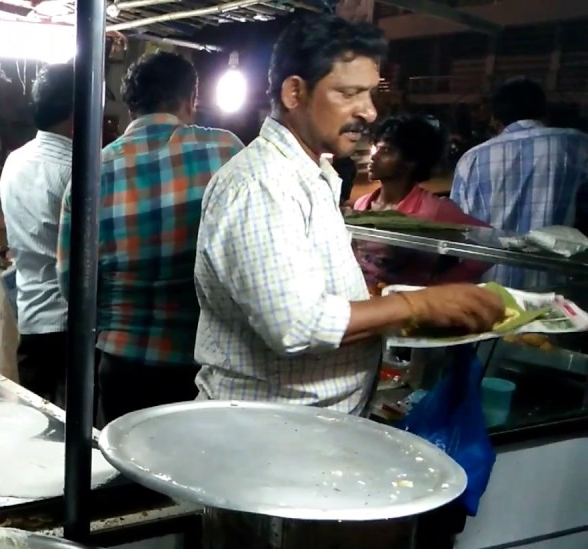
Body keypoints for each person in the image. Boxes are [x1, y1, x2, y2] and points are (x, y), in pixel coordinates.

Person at [194, 14, 504, 414]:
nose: (370, 112)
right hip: (267, 435)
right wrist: (419, 305)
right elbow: (296, 325)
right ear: (295, 93)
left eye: (370, 94)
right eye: (350, 93)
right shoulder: (262, 184)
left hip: (308, 429)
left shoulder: (312, 176)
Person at [58, 51, 243, 422]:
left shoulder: (91, 172)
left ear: (131, 106)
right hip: (199, 368)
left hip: (122, 366)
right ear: (190, 99)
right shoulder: (226, 150)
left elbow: (71, 284)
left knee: (123, 474)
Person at [451, 77, 588, 289]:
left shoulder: (471, 159)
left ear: (495, 118)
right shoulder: (575, 145)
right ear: (544, 112)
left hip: (487, 286)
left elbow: (456, 223)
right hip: (552, 285)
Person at [0, 63, 75, 406]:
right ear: (80, 109)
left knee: (40, 432)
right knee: (77, 441)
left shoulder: (14, 161)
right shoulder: (80, 169)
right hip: (69, 330)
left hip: (30, 322)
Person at [352, 115, 491, 288]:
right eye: (376, 148)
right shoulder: (362, 204)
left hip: (409, 308)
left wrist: (440, 284)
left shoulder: (435, 209)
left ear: (411, 161)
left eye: (386, 150)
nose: (374, 157)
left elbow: (488, 240)